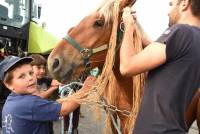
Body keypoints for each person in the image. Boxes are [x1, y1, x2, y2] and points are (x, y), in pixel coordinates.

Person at [120, 0, 200, 133]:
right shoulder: (194, 39)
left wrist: (128, 27)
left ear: (184, 4)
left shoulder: (180, 31)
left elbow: (126, 67)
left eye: (171, 4)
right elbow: (158, 50)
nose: (168, 12)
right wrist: (135, 28)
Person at [0, 56, 96, 134]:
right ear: (8, 85)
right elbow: (65, 109)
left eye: (31, 73)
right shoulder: (30, 103)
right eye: (21, 76)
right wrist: (85, 89)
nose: (30, 78)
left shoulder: (11, 100)